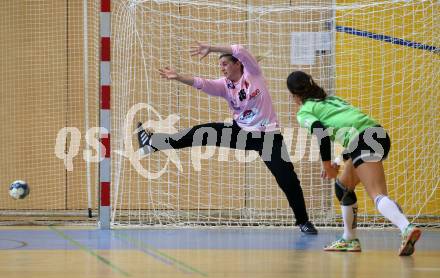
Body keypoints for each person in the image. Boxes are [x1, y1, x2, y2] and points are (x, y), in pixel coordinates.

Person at [137, 42, 317, 234]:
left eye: (224, 64)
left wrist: (212, 48)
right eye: (220, 65)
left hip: (268, 138)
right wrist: (178, 77)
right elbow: (203, 83)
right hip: (241, 133)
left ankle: (303, 221)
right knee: (201, 133)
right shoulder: (225, 85)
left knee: (288, 180)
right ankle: (153, 143)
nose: (221, 68)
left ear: (238, 64)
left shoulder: (252, 73)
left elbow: (238, 49)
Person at [286, 70, 422, 255]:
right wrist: (337, 160)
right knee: (343, 187)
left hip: (364, 139)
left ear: (294, 95)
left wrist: (326, 165)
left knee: (377, 195)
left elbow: (321, 133)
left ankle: (406, 227)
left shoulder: (305, 111)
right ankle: (349, 239)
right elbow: (354, 129)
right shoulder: (333, 100)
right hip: (376, 134)